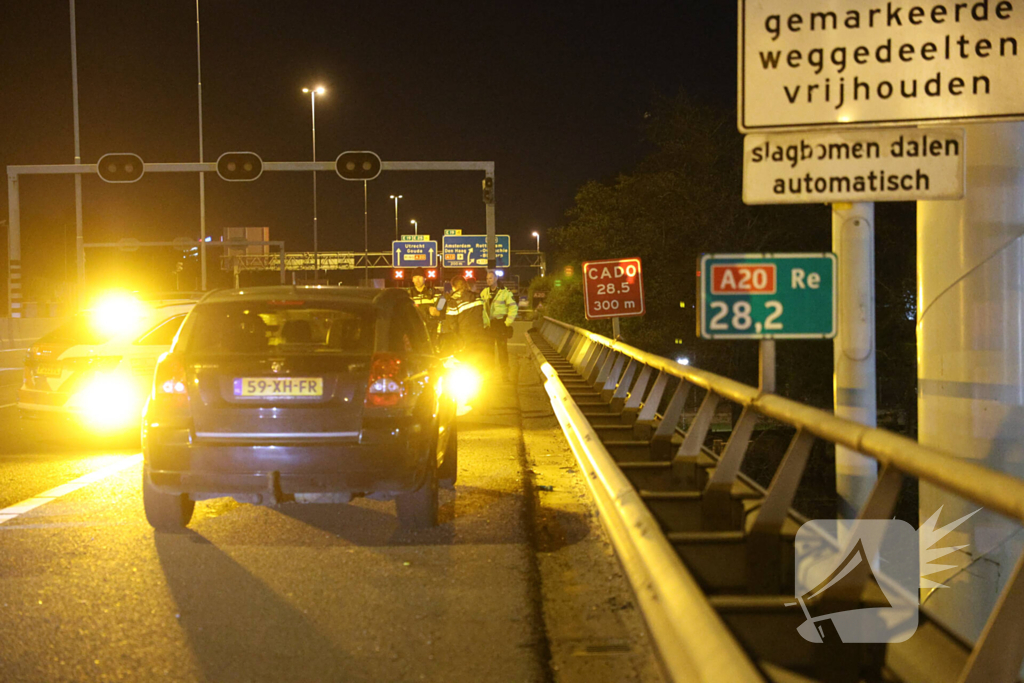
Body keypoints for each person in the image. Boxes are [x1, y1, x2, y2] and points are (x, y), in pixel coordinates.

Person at [446, 275, 490, 373]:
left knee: (464, 366)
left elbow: (451, 323)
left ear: (453, 287)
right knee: (480, 366)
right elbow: (486, 318)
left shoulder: (451, 301)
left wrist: (455, 339)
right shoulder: (478, 297)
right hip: (481, 337)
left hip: (464, 339)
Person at [480, 271, 519, 380]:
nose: (488, 280)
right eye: (487, 278)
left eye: (491, 278)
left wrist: (507, 323)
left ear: (496, 278)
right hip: (489, 325)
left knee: (502, 351)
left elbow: (513, 308)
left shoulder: (505, 293)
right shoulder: (484, 292)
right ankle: (490, 375)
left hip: (500, 324)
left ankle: (504, 374)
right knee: (488, 351)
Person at [408, 268, 441, 345]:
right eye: (415, 277)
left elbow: (442, 303)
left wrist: (438, 310)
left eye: (420, 277)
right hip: (414, 329)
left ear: (425, 278)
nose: (417, 280)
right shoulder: (408, 294)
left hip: (432, 329)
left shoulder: (435, 292)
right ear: (412, 279)